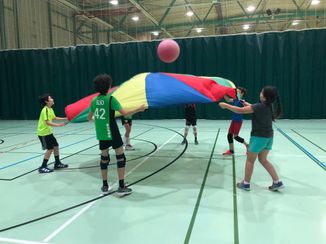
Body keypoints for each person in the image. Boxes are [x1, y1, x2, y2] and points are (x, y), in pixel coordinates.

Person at [87, 74, 145, 196]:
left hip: (102, 133)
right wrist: (139, 109)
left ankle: (104, 185)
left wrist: (99, 122)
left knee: (104, 159)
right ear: (108, 86)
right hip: (112, 132)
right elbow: (125, 113)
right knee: (120, 158)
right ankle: (121, 186)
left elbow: (89, 118)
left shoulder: (93, 101)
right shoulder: (111, 99)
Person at [219, 86, 284, 191]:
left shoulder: (258, 107)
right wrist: (248, 104)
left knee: (250, 160)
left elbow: (240, 110)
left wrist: (226, 105)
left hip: (258, 138)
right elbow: (253, 107)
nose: (260, 93)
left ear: (265, 97)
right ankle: (277, 182)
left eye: (262, 92)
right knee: (263, 160)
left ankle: (246, 184)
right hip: (269, 138)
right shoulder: (268, 106)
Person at [37, 94, 68, 173]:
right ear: (46, 101)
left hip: (48, 132)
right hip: (43, 133)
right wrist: (59, 125)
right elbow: (48, 122)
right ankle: (43, 167)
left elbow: (54, 118)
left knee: (56, 146)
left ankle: (57, 163)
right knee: (50, 149)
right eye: (50, 98)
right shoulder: (45, 110)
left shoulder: (50, 109)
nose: (52, 99)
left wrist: (66, 118)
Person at [223, 87, 249, 156]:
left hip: (238, 121)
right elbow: (228, 100)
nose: (236, 93)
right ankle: (231, 151)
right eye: (236, 92)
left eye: (238, 92)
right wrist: (223, 92)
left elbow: (248, 106)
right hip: (233, 120)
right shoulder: (235, 100)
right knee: (229, 135)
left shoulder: (242, 101)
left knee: (235, 136)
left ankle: (247, 145)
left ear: (242, 93)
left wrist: (244, 104)